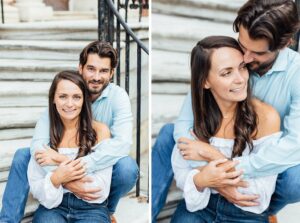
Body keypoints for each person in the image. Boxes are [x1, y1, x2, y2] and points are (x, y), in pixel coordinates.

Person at [151, 0, 300, 222]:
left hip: (267, 153)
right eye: (243, 44)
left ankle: (261, 211)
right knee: (168, 135)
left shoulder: (295, 75)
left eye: (256, 52)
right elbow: (185, 121)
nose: (246, 59)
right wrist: (212, 179)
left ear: (285, 44)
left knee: (295, 181)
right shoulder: (225, 55)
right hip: (218, 139)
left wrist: (225, 170)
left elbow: (293, 145)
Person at [0, 41, 138, 223]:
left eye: (104, 71)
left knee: (127, 167)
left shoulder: (117, 98)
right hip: (62, 182)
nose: (96, 77)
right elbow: (38, 144)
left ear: (112, 73)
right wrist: (64, 180)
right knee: (23, 155)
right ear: (80, 68)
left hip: (99, 158)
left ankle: (106, 209)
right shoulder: (65, 93)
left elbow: (122, 144)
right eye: (91, 69)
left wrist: (67, 165)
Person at [171, 36, 281, 223]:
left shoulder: (266, 117)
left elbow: (258, 195)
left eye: (242, 67)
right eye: (226, 73)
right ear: (205, 81)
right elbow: (182, 172)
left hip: (246, 213)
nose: (240, 79)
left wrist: (213, 155)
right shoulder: (194, 115)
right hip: (202, 206)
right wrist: (201, 181)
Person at [28, 70, 111, 222]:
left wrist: (59, 160)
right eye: (63, 96)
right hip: (53, 207)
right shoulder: (44, 133)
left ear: (84, 100)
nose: (70, 104)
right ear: (53, 98)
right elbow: (37, 186)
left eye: (76, 97)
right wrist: (56, 178)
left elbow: (99, 189)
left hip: (91, 208)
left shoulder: (99, 132)